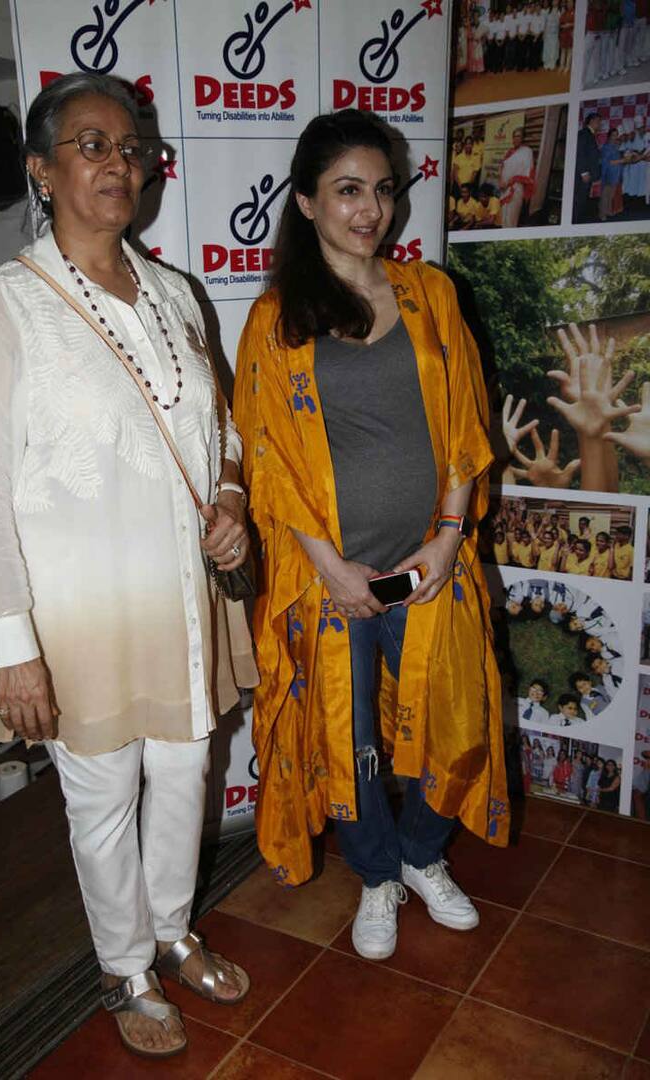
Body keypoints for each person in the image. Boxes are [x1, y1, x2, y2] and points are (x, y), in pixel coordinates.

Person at [0, 73, 257, 1060]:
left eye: (131, 148)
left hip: (182, 603)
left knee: (186, 773)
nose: (118, 164)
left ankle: (172, 931)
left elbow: (226, 431)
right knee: (103, 798)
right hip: (77, 614)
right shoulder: (3, 306)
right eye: (91, 145)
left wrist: (232, 501)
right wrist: (15, 650)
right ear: (41, 170)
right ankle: (124, 965)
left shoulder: (177, 294)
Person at [233, 109, 509, 962]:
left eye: (382, 190)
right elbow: (269, 458)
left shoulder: (430, 293)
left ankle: (423, 853)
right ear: (307, 202)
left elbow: (464, 424)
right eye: (348, 191)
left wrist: (450, 536)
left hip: (430, 563)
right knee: (347, 742)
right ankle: (378, 874)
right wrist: (329, 568)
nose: (370, 210)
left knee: (454, 720)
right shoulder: (276, 320)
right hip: (332, 580)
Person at [499, 128, 535, 227]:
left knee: (511, 218)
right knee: (503, 217)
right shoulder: (509, 152)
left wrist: (509, 182)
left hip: (516, 188)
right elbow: (502, 166)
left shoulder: (527, 152)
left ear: (523, 138)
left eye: (518, 136)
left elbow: (527, 173)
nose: (516, 138)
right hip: (504, 188)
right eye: (514, 136)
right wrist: (501, 181)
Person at [574, 113, 601, 223]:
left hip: (587, 175)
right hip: (583, 176)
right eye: (598, 121)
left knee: (582, 200)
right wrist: (584, 172)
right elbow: (579, 153)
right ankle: (575, 222)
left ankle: (577, 221)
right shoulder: (584, 133)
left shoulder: (590, 134)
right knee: (579, 201)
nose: (600, 124)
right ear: (592, 121)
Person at [599, 128, 625, 221]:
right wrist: (622, 160)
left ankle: (608, 211)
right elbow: (607, 162)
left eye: (616, 135)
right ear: (609, 136)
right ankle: (602, 213)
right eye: (613, 135)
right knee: (605, 195)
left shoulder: (615, 146)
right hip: (609, 174)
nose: (615, 137)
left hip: (616, 174)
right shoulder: (606, 147)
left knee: (611, 194)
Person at [559, 0, 575, 69]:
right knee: (563, 50)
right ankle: (561, 66)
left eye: (571, 3)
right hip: (564, 34)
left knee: (569, 50)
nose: (569, 4)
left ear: (573, 4)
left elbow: (577, 23)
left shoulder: (575, 12)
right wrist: (563, 26)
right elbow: (560, 24)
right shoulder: (564, 13)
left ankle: (567, 67)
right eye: (568, 3)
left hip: (571, 34)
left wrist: (570, 24)